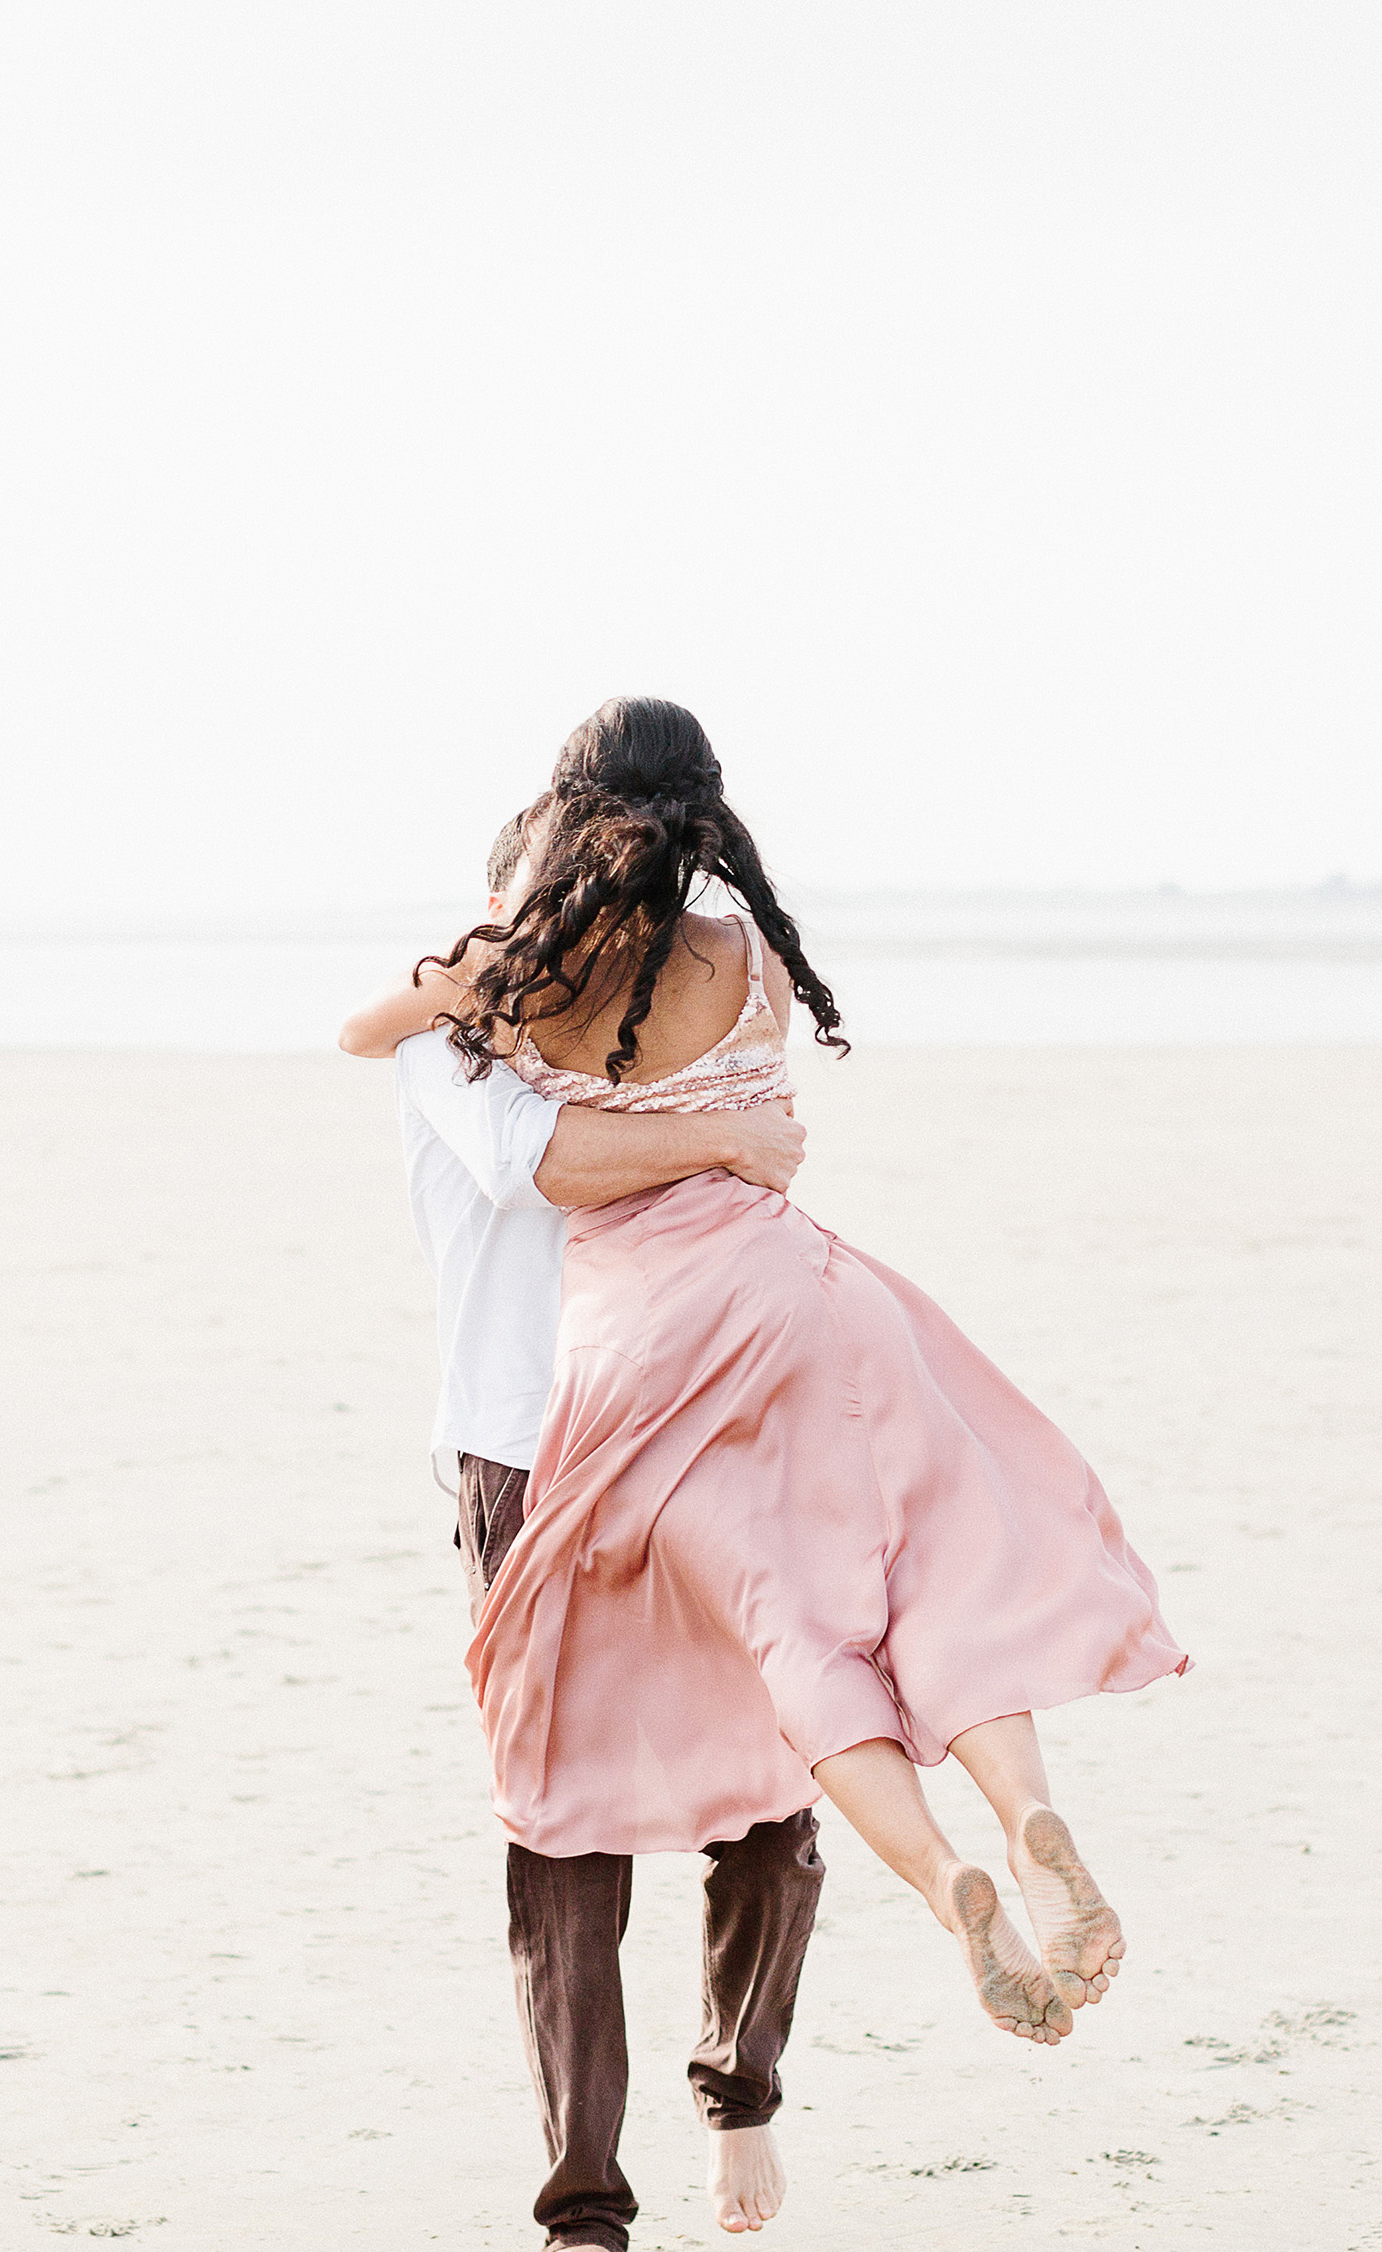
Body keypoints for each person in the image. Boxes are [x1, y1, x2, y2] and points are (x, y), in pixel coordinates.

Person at [360, 694, 1188, 2067]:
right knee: (935, 1571)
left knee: (787, 1630)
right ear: (707, 825)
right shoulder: (750, 959)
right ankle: (1026, 1814)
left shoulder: (526, 988)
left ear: (566, 822)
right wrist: (735, 1134)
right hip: (819, 1302)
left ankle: (941, 1879)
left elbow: (432, 1076)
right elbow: (764, 1125)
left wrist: (488, 954)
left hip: (658, 1356)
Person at [339, 813, 825, 2251]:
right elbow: (531, 1161)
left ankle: (742, 2091)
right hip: (523, 1452)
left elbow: (758, 1176)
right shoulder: (451, 1029)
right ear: (504, 900)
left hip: (692, 1435)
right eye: (545, 896)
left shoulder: (667, 1019)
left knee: (781, 1785)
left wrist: (733, 1124)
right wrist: (726, 1130)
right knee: (563, 1833)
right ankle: (585, 2211)